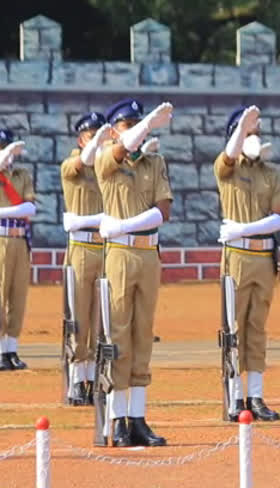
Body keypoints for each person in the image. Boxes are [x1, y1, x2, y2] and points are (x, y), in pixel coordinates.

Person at [95, 98, 173, 446]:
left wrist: (125, 223)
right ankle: (117, 418)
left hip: (147, 254)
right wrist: (145, 128)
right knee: (119, 335)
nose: (136, 131)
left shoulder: (154, 162)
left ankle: (138, 417)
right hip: (121, 256)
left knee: (143, 335)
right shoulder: (106, 158)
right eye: (129, 125)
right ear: (115, 131)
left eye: (138, 124)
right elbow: (120, 150)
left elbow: (163, 211)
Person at [215, 105, 280, 421]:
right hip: (237, 258)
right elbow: (227, 158)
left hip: (263, 258)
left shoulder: (271, 174)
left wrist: (245, 228)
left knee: (256, 328)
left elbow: (278, 218)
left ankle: (255, 396)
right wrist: (241, 128)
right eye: (248, 133)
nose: (254, 138)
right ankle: (233, 396)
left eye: (257, 132)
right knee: (233, 328)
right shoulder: (228, 168)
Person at [60, 112, 110, 403]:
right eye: (93, 135)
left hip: (104, 247)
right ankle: (77, 378)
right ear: (82, 139)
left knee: (99, 319)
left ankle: (93, 376)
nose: (100, 140)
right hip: (80, 248)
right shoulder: (72, 165)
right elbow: (82, 162)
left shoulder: (107, 167)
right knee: (78, 317)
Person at [0, 129, 35, 371]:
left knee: (17, 295)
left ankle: (11, 349)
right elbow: (22, 208)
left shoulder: (21, 175)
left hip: (19, 240)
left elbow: (30, 208)